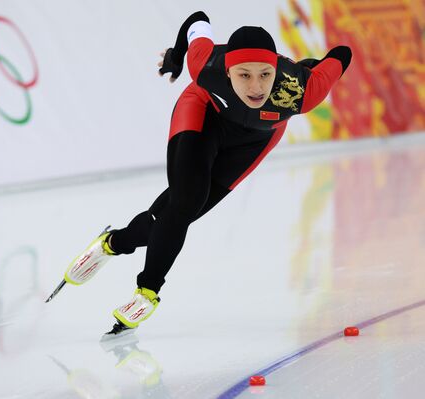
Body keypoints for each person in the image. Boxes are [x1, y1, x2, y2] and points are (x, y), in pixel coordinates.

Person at [59, 11, 352, 337]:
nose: (256, 88)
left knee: (180, 214)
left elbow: (342, 54)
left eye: (265, 75)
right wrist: (176, 56)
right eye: (243, 75)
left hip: (255, 140)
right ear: (228, 71)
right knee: (186, 201)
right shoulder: (207, 64)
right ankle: (148, 292)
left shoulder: (302, 90)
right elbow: (198, 19)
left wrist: (314, 65)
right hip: (202, 113)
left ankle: (114, 242)